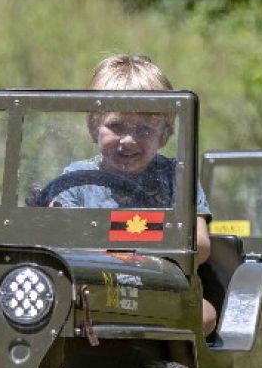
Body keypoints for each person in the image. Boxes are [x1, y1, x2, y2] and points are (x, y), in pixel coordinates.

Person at [49, 54, 216, 333]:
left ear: (164, 135)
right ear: (94, 127)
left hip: (161, 288)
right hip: (93, 292)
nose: (128, 139)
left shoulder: (176, 176)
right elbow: (57, 235)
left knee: (206, 314)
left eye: (143, 129)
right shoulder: (75, 178)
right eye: (116, 126)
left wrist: (135, 249)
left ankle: (164, 366)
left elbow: (201, 243)